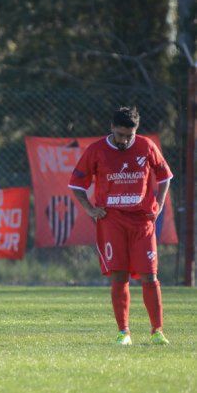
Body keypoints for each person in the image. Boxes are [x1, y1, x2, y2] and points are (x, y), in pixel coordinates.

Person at [69, 107, 172, 346]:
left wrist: (158, 203)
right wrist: (90, 209)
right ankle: (123, 332)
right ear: (112, 127)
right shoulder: (96, 150)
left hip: (142, 221)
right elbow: (76, 183)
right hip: (112, 221)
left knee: (150, 275)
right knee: (119, 274)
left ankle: (157, 331)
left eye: (130, 135)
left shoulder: (146, 146)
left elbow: (165, 176)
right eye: (121, 135)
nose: (125, 140)